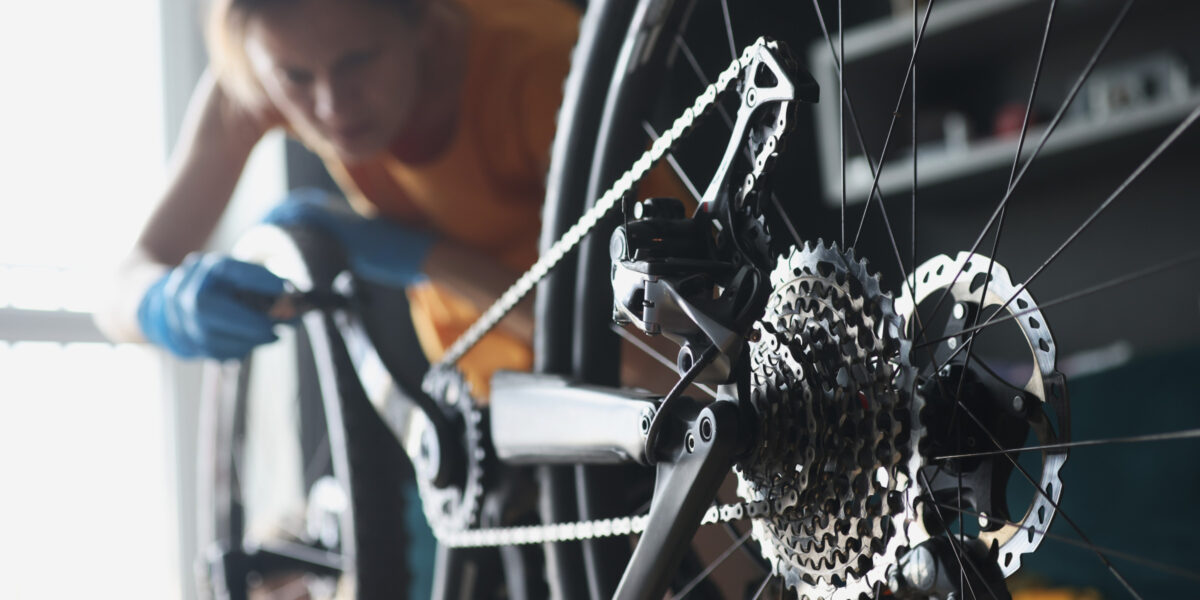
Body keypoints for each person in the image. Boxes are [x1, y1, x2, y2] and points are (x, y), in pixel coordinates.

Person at [96, 0, 585, 398]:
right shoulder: (260, 66)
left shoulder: (546, 69)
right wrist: (166, 307)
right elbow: (118, 292)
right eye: (296, 78)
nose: (332, 106)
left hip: (589, 386)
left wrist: (424, 257)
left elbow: (623, 347)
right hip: (472, 389)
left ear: (421, 18)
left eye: (358, 61)